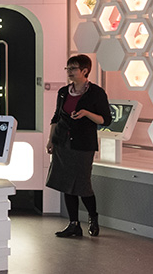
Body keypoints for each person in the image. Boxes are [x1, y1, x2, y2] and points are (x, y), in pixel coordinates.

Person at [45, 54, 111, 238]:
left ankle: (93, 217)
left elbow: (105, 120)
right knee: (66, 184)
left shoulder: (96, 93)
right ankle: (73, 224)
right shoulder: (63, 92)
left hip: (83, 144)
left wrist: (86, 113)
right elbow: (56, 117)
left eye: (73, 68)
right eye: (68, 68)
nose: (69, 72)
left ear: (85, 71)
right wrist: (51, 140)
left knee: (82, 184)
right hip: (62, 142)